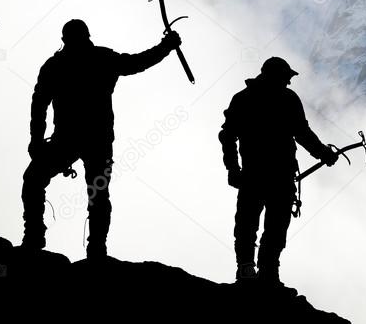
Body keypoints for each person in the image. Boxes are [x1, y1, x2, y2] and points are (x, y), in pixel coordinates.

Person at [21, 19, 181, 259]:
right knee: (88, 190)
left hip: (81, 139)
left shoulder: (60, 64)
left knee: (43, 181)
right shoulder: (94, 59)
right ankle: (86, 244)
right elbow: (137, 62)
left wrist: (36, 140)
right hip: (87, 139)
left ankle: (58, 239)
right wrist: (166, 46)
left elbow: (39, 103)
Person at [218, 57, 338, 286]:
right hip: (276, 177)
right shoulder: (286, 99)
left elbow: (228, 136)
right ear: (275, 76)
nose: (289, 82)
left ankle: (252, 273)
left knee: (250, 225)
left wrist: (233, 169)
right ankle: (266, 275)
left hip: (256, 176)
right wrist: (324, 153)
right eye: (286, 78)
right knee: (270, 227)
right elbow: (302, 133)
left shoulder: (244, 98)